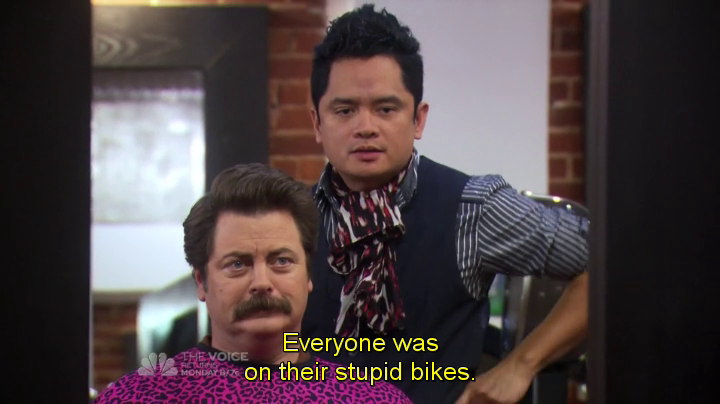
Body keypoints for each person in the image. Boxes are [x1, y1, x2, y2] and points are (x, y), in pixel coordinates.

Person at [300, 4, 590, 404]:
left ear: (418, 119)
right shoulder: (289, 219)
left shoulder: (473, 208)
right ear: (317, 123)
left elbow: (609, 265)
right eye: (345, 110)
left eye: (386, 109)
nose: (365, 127)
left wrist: (521, 365)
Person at [94, 164, 412, 403]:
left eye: (281, 261)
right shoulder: (137, 398)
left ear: (308, 275)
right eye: (238, 264)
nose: (261, 282)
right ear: (201, 281)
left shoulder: (374, 400)